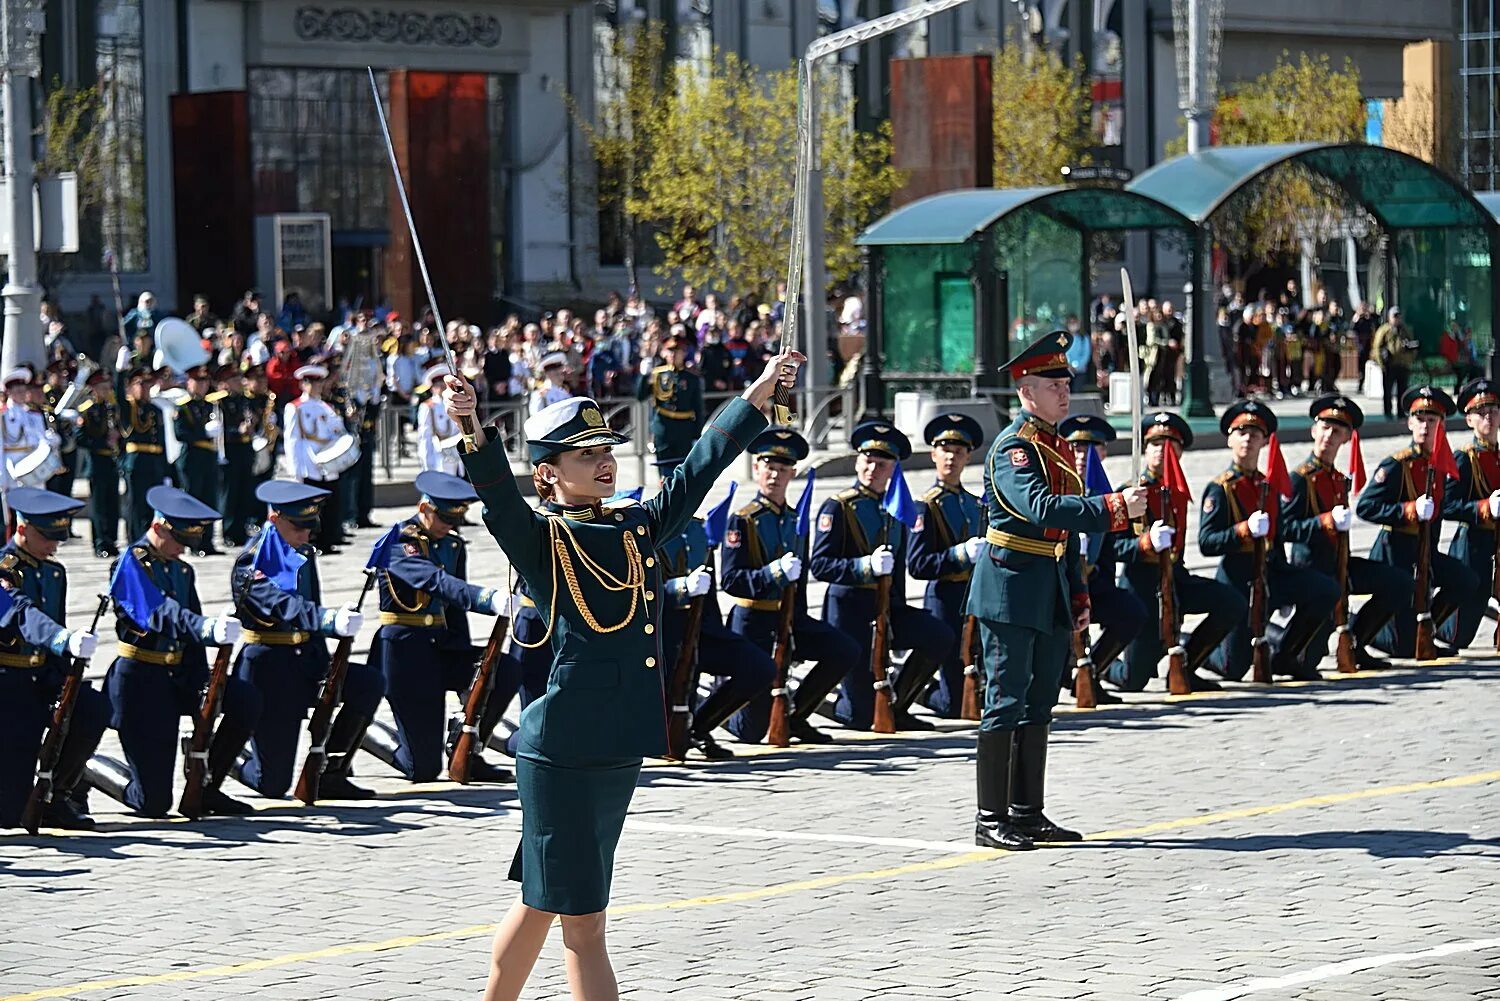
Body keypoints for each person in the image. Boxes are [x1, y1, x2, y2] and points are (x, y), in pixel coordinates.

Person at [444, 346, 799, 1001]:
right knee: (584, 924)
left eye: (606, 448)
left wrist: (759, 390)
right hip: (563, 754)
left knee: (543, 901)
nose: (605, 459)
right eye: (585, 454)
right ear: (548, 475)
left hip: (614, 749)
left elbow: (701, 467)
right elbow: (497, 496)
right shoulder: (542, 541)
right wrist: (470, 428)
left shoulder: (636, 531)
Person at [968, 331, 1144, 851]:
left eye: (1066, 382)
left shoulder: (1058, 446)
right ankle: (989, 816)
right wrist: (1112, 509)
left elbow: (1061, 537)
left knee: (1040, 700)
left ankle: (1027, 812)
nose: (1064, 391)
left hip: (1048, 584)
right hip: (1010, 586)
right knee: (1004, 700)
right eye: (1052, 383)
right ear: (1025, 391)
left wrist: (1078, 593)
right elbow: (1041, 510)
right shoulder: (1014, 450)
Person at [86, 486, 259, 818]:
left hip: (179, 676)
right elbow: (161, 614)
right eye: (178, 540)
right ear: (159, 526)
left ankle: (209, 784)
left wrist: (207, 689)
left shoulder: (181, 570)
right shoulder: (129, 566)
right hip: (141, 682)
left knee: (245, 699)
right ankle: (87, 767)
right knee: (153, 803)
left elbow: (189, 637)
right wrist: (207, 628)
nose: (182, 550)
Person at [229, 481, 381, 800]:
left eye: (310, 527)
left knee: (367, 683)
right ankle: (228, 759)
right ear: (275, 520)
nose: (306, 535)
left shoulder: (304, 553)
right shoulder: (253, 561)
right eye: (298, 527)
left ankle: (332, 772)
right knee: (273, 784)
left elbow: (311, 600)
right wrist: (329, 620)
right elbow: (285, 605)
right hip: (270, 668)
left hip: (308, 660)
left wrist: (330, 662)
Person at [360, 471, 513, 784]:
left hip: (441, 647)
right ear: (424, 508)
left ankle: (470, 746)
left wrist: (472, 674)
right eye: (443, 518)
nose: (449, 526)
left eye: (454, 519)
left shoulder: (452, 544)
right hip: (404, 653)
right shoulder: (400, 543)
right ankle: (363, 732)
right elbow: (434, 582)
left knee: (502, 669)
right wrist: (486, 598)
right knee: (422, 769)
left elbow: (454, 610)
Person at [810, 422, 953, 731]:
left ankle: (898, 703)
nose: (872, 468)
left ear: (893, 469)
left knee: (938, 635)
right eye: (867, 459)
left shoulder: (896, 509)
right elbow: (820, 565)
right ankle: (822, 703)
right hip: (849, 609)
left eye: (882, 463)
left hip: (886, 606)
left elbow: (899, 568)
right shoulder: (839, 508)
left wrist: (895, 610)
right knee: (860, 719)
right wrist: (865, 567)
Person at [720, 429, 858, 745]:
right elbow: (731, 581)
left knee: (843, 650)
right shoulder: (743, 520)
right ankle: (716, 708)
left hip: (788, 617)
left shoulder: (796, 521)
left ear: (792, 473)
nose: (775, 475)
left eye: (783, 469)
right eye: (769, 467)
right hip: (754, 620)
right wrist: (770, 574)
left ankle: (796, 715)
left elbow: (800, 582)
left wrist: (797, 626)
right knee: (750, 732)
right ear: (756, 469)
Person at [1198, 401, 1339, 681]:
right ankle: (1192, 642)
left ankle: (1286, 655)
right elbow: (1206, 542)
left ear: (1265, 442)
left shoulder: (1268, 486)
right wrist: (1242, 530)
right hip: (1239, 578)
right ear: (1230, 439)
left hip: (1272, 572)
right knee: (1233, 669)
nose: (1248, 439)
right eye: (1241, 433)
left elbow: (1280, 536)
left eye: (1255, 434)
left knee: (1325, 590)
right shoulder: (1220, 488)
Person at [1107, 413, 1243, 693]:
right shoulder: (1130, 492)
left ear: (1180, 452)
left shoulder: (1177, 492)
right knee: (1134, 681)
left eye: (1170, 444)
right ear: (1145, 449)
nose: (1161, 450)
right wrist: (1145, 544)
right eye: (1155, 443)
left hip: (1175, 578)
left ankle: (1187, 665)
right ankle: (1092, 664)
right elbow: (1113, 548)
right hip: (1141, 587)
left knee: (1231, 602)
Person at [653, 457, 776, 759]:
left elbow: (709, 595)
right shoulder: (647, 530)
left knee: (759, 667)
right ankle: (663, 736)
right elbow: (640, 594)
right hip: (659, 635)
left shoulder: (699, 530)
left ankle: (701, 726)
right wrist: (678, 588)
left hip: (700, 630)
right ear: (662, 486)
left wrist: (716, 631)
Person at [0, 488, 109, 830]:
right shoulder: (4, 572)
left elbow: (55, 621)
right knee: (10, 815)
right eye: (47, 537)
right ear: (22, 530)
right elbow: (22, 614)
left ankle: (61, 792)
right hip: (8, 682)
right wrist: (63, 639)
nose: (54, 546)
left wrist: (70, 669)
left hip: (43, 675)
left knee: (92, 709)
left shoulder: (54, 572)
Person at [1281, 395, 1409, 673]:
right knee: (1310, 652)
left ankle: (1356, 642)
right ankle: (1284, 651)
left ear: (1346, 438)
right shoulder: (1300, 479)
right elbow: (1284, 529)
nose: (1328, 436)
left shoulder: (1338, 478)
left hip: (1340, 563)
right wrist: (1324, 522)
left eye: (1337, 431)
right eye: (1325, 428)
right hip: (1311, 566)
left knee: (1399, 583)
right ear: (1314, 431)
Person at [1058, 415, 1144, 704]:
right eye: (1076, 448)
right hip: (1056, 587)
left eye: (1091, 448)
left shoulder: (1108, 497)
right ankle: (1063, 675)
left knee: (1130, 612)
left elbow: (1112, 550)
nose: (1083, 455)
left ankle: (1091, 672)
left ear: (1104, 452)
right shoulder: (1056, 491)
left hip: (1092, 583)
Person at [907, 414, 986, 718]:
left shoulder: (975, 504)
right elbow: (918, 565)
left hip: (973, 597)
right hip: (944, 598)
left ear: (968, 456)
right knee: (955, 705)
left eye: (958, 451)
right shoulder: (925, 506)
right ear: (933, 455)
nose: (951, 457)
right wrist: (959, 555)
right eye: (944, 450)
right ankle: (921, 691)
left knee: (977, 686)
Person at [1435, 379, 1500, 652]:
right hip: (1473, 546)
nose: (1489, 417)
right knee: (1458, 634)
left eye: (1494, 410)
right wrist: (1484, 507)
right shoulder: (1464, 458)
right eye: (1481, 412)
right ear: (1469, 420)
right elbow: (1448, 505)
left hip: (1496, 545)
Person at [282, 363, 348, 554]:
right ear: (303, 384)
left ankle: (328, 540)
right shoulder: (295, 407)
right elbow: (292, 439)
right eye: (310, 383)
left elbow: (337, 431)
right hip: (308, 460)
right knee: (310, 506)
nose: (315, 387)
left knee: (330, 503)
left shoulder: (326, 407)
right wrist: (294, 468)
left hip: (327, 460)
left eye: (318, 383)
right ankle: (312, 541)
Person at [117, 364, 173, 542]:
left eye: (148, 384)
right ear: (131, 387)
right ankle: (134, 540)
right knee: (135, 505)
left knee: (152, 506)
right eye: (140, 384)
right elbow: (118, 398)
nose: (144, 388)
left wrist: (166, 470)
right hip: (136, 462)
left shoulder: (155, 410)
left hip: (154, 462)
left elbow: (162, 441)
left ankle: (150, 540)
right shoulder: (129, 407)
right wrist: (120, 373)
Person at [175, 364, 223, 555]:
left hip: (209, 457)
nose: (202, 386)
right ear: (189, 382)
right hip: (192, 458)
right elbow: (181, 433)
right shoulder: (183, 407)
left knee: (209, 500)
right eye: (198, 381)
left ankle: (207, 542)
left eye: (204, 382)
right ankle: (192, 543)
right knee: (193, 500)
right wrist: (203, 433)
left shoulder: (210, 405)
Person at [636, 333, 705, 462]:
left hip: (684, 430)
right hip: (663, 428)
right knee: (663, 471)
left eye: (677, 351)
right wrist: (644, 375)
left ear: (683, 353)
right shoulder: (657, 375)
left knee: (683, 470)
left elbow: (698, 408)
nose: (673, 354)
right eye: (670, 351)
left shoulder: (691, 378)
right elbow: (640, 396)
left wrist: (697, 434)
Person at [77, 368, 121, 558]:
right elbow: (81, 438)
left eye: (107, 387)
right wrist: (104, 442)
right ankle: (100, 542)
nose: (106, 391)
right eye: (102, 387)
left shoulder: (112, 408)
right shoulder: (87, 410)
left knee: (113, 504)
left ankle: (112, 539)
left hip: (111, 460)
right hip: (96, 461)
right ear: (93, 389)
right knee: (99, 504)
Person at [417, 361, 465, 476]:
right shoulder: (428, 407)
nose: (442, 388)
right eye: (438, 385)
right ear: (432, 388)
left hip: (458, 459)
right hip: (439, 458)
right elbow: (425, 437)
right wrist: (426, 464)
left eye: (444, 384)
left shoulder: (456, 403)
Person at [1372, 307, 1415, 419]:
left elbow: (1412, 346)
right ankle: (1388, 412)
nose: (1397, 319)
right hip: (1389, 365)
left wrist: (1409, 360)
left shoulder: (1405, 330)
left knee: (1403, 390)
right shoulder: (1384, 330)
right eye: (1394, 316)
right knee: (1388, 391)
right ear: (1389, 318)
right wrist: (1382, 364)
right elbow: (1377, 347)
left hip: (1403, 364)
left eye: (1398, 316)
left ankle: (1401, 411)